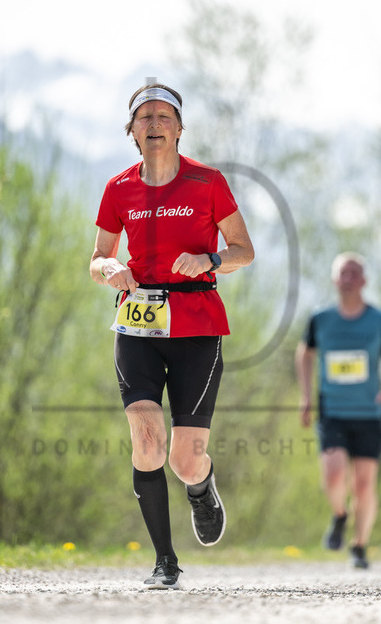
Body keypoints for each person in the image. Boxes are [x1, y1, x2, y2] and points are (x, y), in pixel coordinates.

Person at [90, 79, 254, 589]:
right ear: (132, 132)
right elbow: (96, 257)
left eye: (165, 117)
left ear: (180, 129)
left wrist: (210, 259)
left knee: (183, 459)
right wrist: (109, 268)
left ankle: (202, 486)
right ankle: (165, 561)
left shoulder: (207, 183)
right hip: (137, 321)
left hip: (196, 326)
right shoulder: (119, 189)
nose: (155, 124)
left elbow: (243, 250)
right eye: (145, 118)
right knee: (146, 441)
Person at [295, 252, 381, 569]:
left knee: (365, 484)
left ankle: (359, 545)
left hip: (369, 413)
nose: (349, 278)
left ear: (365, 281)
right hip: (333, 410)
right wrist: (305, 396)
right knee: (333, 474)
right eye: (343, 272)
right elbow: (304, 356)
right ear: (334, 279)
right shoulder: (320, 319)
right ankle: (340, 515)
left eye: (355, 272)